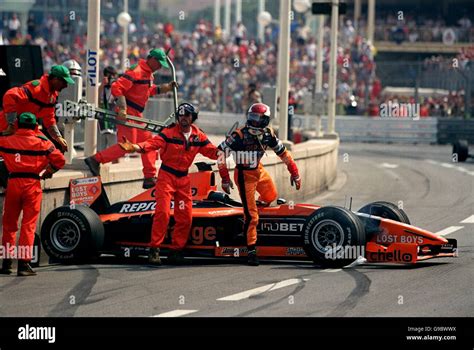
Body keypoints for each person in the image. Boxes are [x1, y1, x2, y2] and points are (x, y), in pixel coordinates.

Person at [118, 103, 220, 265]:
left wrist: (227, 149)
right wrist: (135, 147)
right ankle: (154, 250)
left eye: (187, 115)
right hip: (166, 177)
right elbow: (152, 144)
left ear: (193, 118)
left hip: (184, 180)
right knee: (163, 213)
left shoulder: (198, 136)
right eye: (181, 116)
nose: (183, 118)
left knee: (185, 216)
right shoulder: (169, 133)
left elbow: (213, 152)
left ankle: (176, 251)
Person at [217, 103, 301, 266]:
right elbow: (220, 153)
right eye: (252, 118)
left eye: (258, 119)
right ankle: (251, 249)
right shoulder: (239, 134)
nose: (254, 122)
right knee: (252, 216)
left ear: (266, 120)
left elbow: (284, 153)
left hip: (258, 170)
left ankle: (251, 213)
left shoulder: (269, 134)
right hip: (243, 175)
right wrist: (225, 178)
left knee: (271, 195)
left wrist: (295, 173)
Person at [85, 49, 178, 189]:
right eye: (159, 64)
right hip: (128, 111)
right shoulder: (137, 71)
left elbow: (149, 90)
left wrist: (166, 88)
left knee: (150, 143)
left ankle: (149, 177)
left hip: (137, 114)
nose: (160, 67)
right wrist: (122, 108)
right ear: (152, 59)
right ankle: (95, 160)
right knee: (127, 146)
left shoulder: (148, 74)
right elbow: (117, 87)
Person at [0, 112, 65, 276]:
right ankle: (23, 265)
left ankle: (6, 263)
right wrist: (49, 171)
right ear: (36, 126)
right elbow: (60, 160)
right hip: (32, 184)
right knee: (28, 225)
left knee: (9, 224)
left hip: (13, 183)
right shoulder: (43, 143)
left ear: (17, 125)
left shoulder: (5, 140)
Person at [0, 65, 74, 153]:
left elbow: (49, 119)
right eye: (64, 82)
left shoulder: (51, 96)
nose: (66, 86)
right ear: (55, 79)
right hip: (6, 126)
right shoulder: (36, 88)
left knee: (52, 153)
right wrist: (11, 124)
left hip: (28, 129)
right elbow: (10, 96)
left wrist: (58, 137)